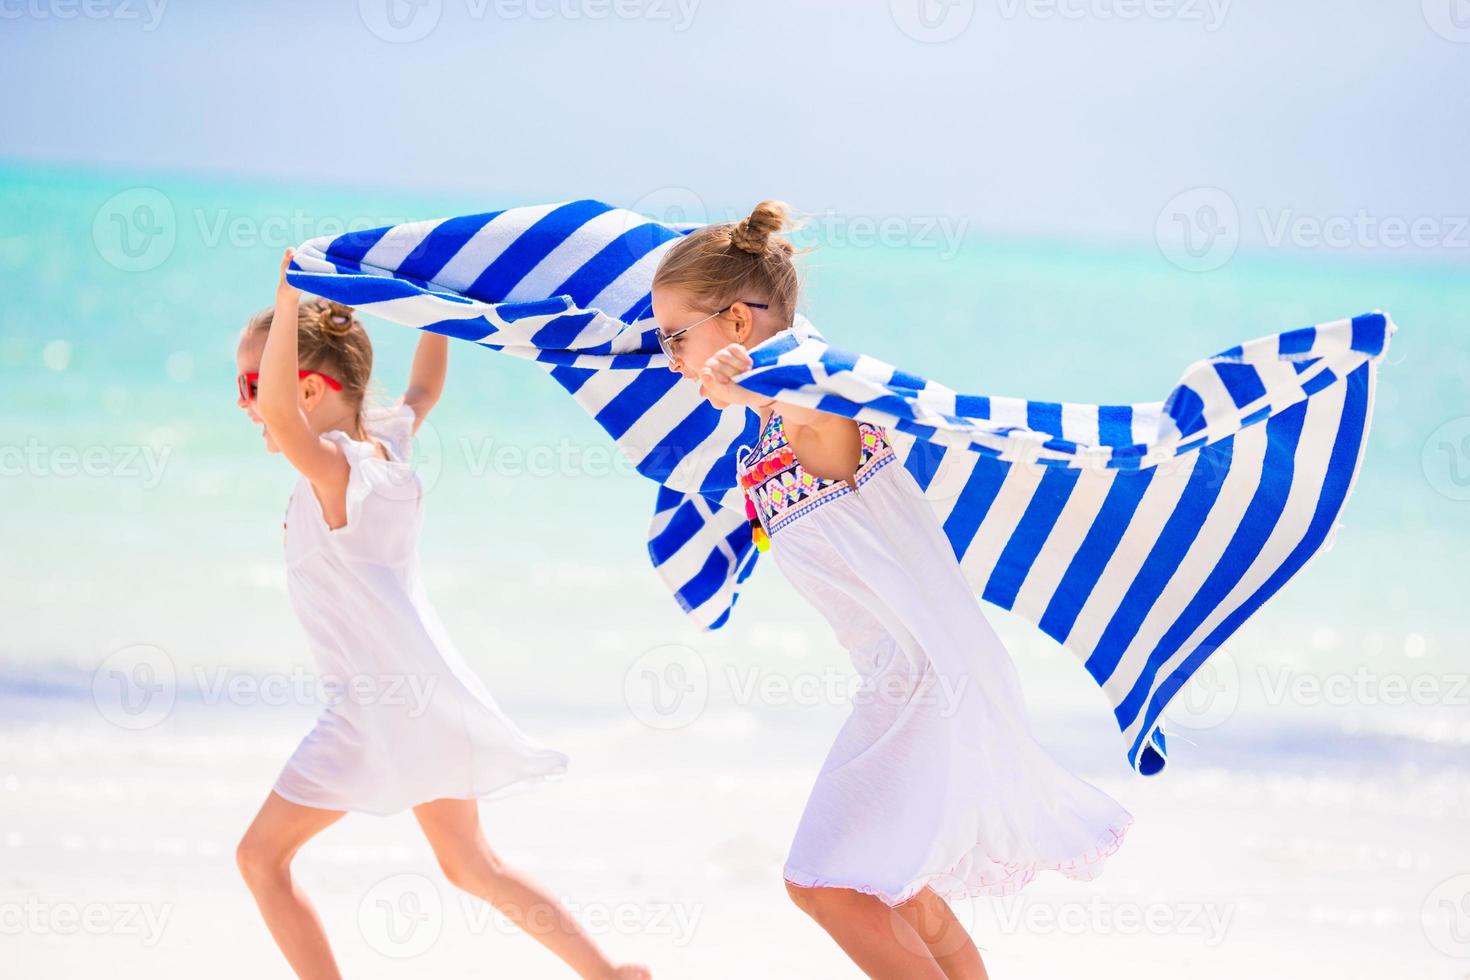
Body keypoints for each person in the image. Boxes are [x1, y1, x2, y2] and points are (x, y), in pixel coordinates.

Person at [650, 203, 1132, 979]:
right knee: (901, 892)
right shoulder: (768, 428)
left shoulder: (817, 406)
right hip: (909, 682)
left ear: (738, 321)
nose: (670, 358)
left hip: (923, 685)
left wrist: (754, 388)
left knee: (824, 883)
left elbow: (811, 411)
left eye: (676, 336)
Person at [231, 249, 650, 980]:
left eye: (251, 383)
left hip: (368, 713)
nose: (246, 403)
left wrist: (286, 297)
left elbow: (285, 414)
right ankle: (608, 974)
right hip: (423, 701)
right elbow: (425, 387)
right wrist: (441, 306)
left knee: (260, 858)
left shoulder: (334, 469)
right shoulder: (384, 447)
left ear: (302, 386)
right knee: (471, 864)